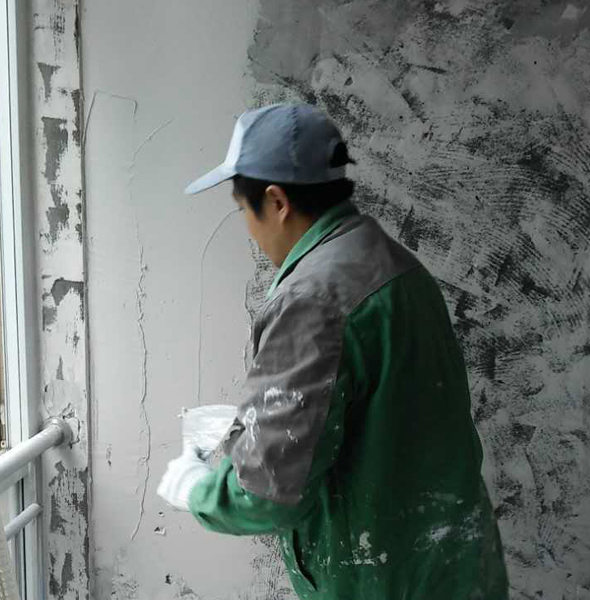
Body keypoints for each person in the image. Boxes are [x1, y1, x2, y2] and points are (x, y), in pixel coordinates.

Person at [157, 103, 508, 600]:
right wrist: (257, 425)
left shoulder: (312, 300)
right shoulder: (395, 265)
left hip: (382, 581)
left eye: (243, 210)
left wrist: (194, 487)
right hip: (456, 569)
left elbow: (264, 496)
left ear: (277, 201)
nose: (248, 229)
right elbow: (379, 413)